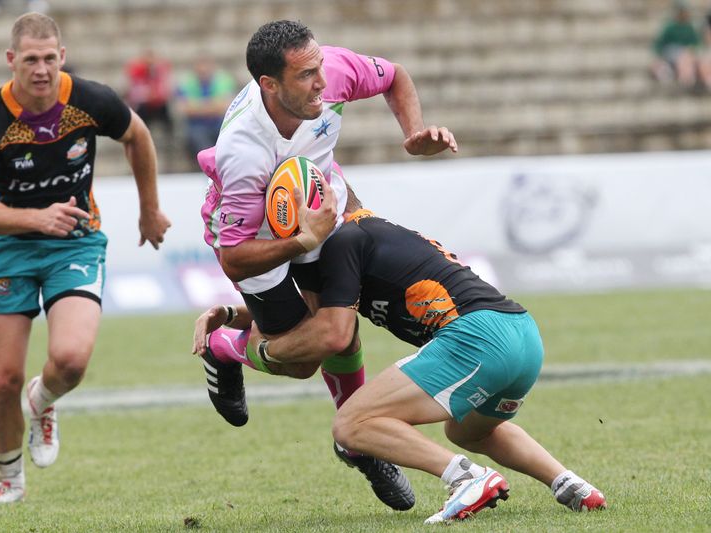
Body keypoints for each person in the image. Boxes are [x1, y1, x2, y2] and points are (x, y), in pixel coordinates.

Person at [198, 191, 607, 524]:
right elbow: (309, 313)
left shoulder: (342, 243)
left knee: (351, 423)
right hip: (521, 335)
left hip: (477, 338)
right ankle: (568, 483)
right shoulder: (362, 234)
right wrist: (233, 315)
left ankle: (466, 478)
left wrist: (260, 350)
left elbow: (333, 333)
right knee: (468, 432)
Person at [194, 19, 457, 510]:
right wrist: (299, 242)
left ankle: (358, 440)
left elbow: (395, 74)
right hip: (254, 234)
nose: (322, 83)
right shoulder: (243, 152)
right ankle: (226, 348)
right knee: (301, 360)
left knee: (339, 330)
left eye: (320, 68)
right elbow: (234, 260)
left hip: (322, 205)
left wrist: (414, 132)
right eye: (305, 76)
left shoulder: (329, 70)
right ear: (269, 85)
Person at [0, 12, 171, 506]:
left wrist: (150, 209)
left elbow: (138, 135)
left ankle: (44, 401)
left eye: (49, 58)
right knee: (2, 378)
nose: (41, 69)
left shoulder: (90, 99)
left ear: (62, 57)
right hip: (7, 246)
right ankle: (9, 480)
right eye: (30, 59)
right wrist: (36, 218)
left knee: (71, 361)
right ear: (12, 60)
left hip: (75, 240)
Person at [174, 54, 236, 161]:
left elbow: (226, 106)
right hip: (197, 127)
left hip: (219, 124)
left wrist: (197, 107)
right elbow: (183, 108)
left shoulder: (223, 80)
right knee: (199, 139)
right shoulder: (187, 83)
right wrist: (212, 106)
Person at [650, 1, 711, 90]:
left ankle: (690, 78)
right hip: (671, 53)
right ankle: (684, 78)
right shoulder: (669, 27)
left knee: (689, 58)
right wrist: (659, 57)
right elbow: (659, 44)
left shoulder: (689, 27)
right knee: (682, 58)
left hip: (687, 55)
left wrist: (691, 50)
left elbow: (696, 43)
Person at [124, 48, 173, 136]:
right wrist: (147, 95)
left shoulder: (159, 71)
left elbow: (165, 89)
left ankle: (169, 138)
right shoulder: (137, 72)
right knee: (140, 114)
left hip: (158, 103)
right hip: (144, 105)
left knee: (167, 114)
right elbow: (134, 92)